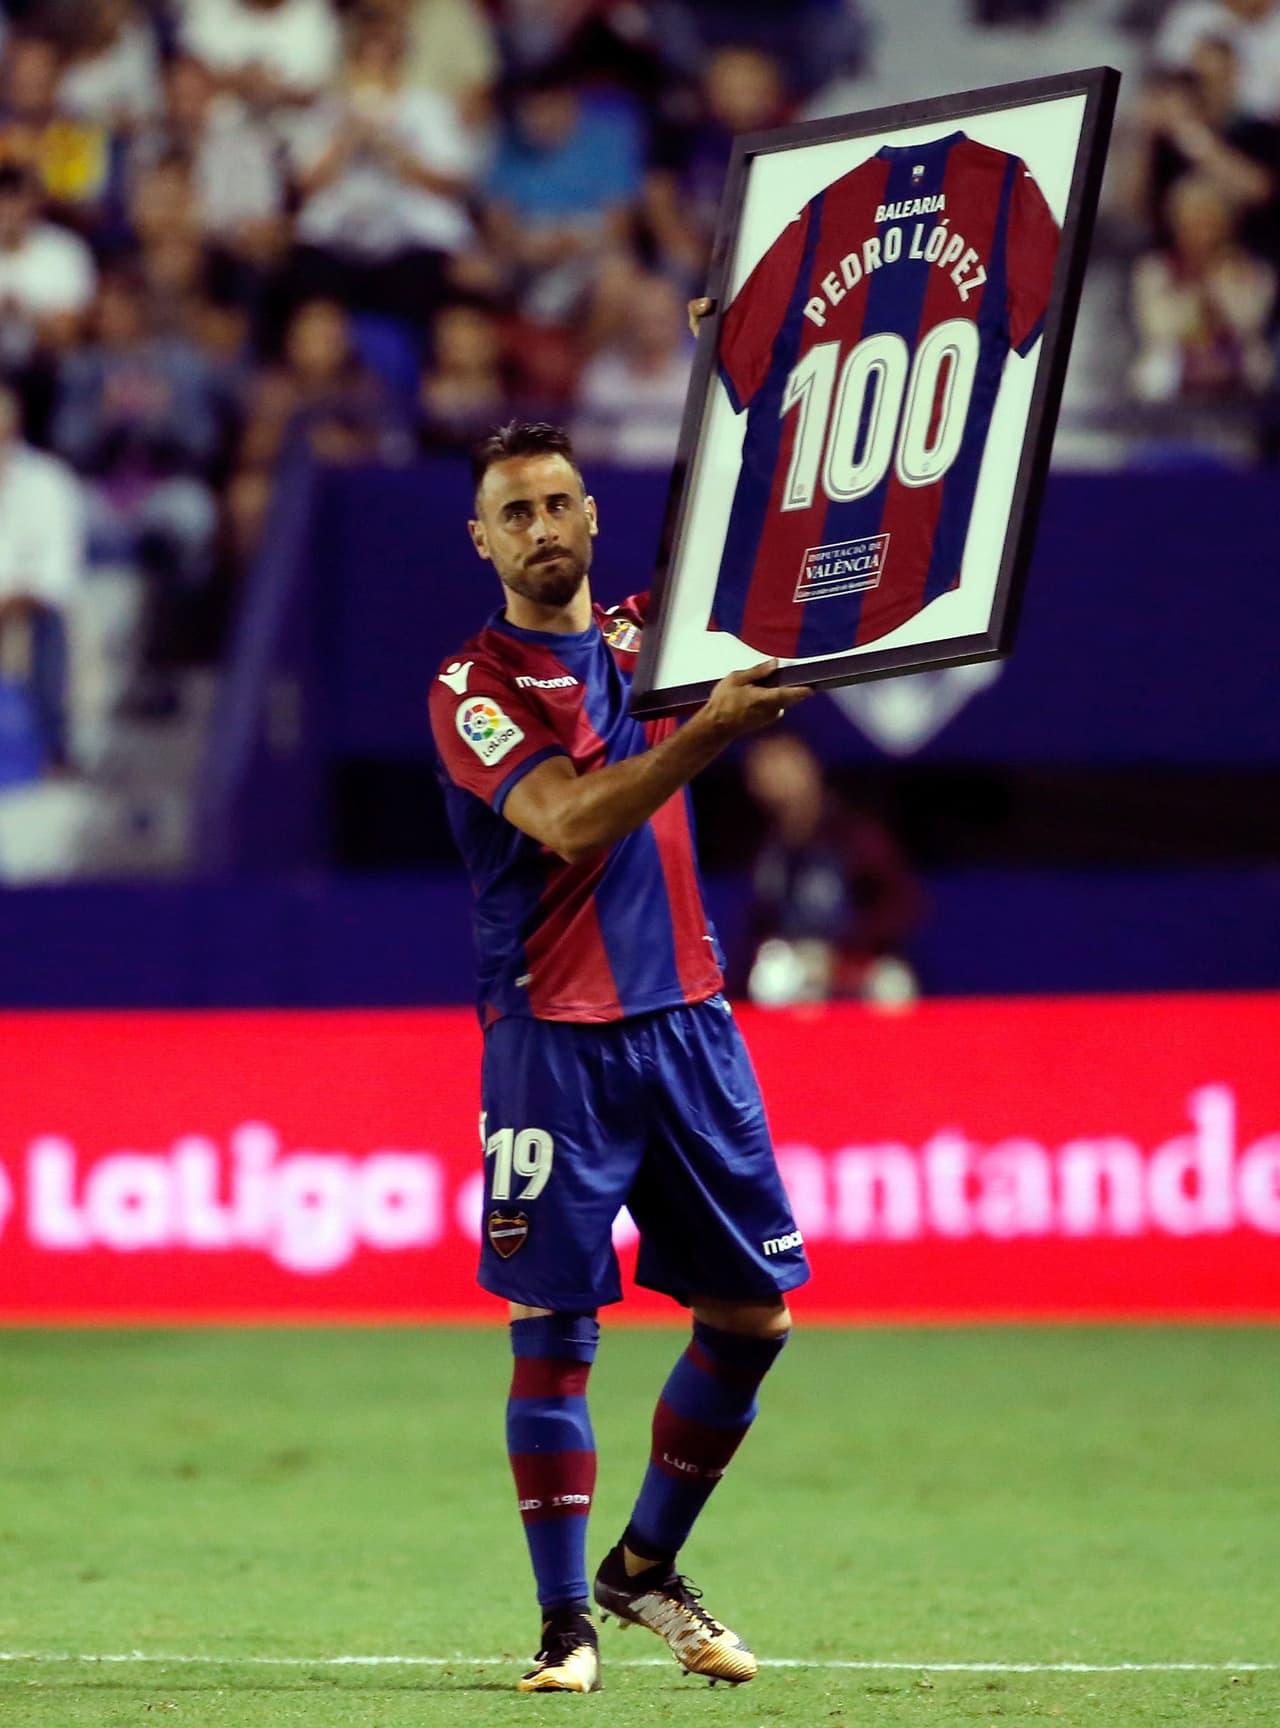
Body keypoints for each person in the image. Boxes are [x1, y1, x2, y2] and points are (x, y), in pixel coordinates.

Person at [428, 418, 811, 1695]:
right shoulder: (469, 690)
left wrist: (744, 357)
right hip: (551, 1038)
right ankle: (561, 1629)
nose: (541, 529)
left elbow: (763, 513)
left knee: (752, 1318)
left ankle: (641, 1570)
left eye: (556, 504)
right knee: (556, 1327)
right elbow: (575, 816)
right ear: (481, 539)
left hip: (689, 1024)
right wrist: (708, 730)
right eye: (513, 513)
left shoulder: (660, 639)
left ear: (593, 515)